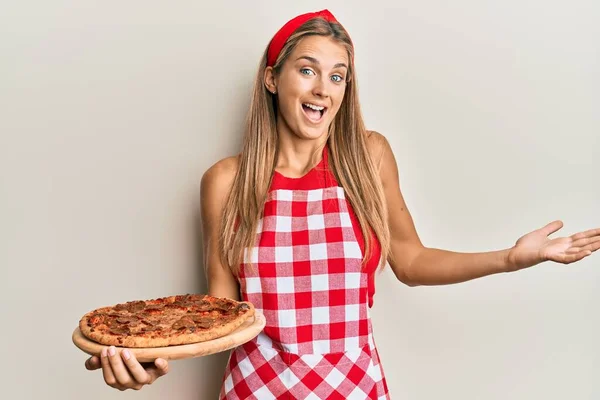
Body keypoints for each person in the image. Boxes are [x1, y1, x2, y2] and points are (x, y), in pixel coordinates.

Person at [84, 9, 600, 398]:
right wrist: (148, 355)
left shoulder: (369, 158)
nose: (323, 89)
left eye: (337, 75)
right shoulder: (226, 181)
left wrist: (511, 259)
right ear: (272, 78)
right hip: (255, 389)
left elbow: (412, 261)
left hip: (352, 387)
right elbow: (220, 314)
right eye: (307, 70)